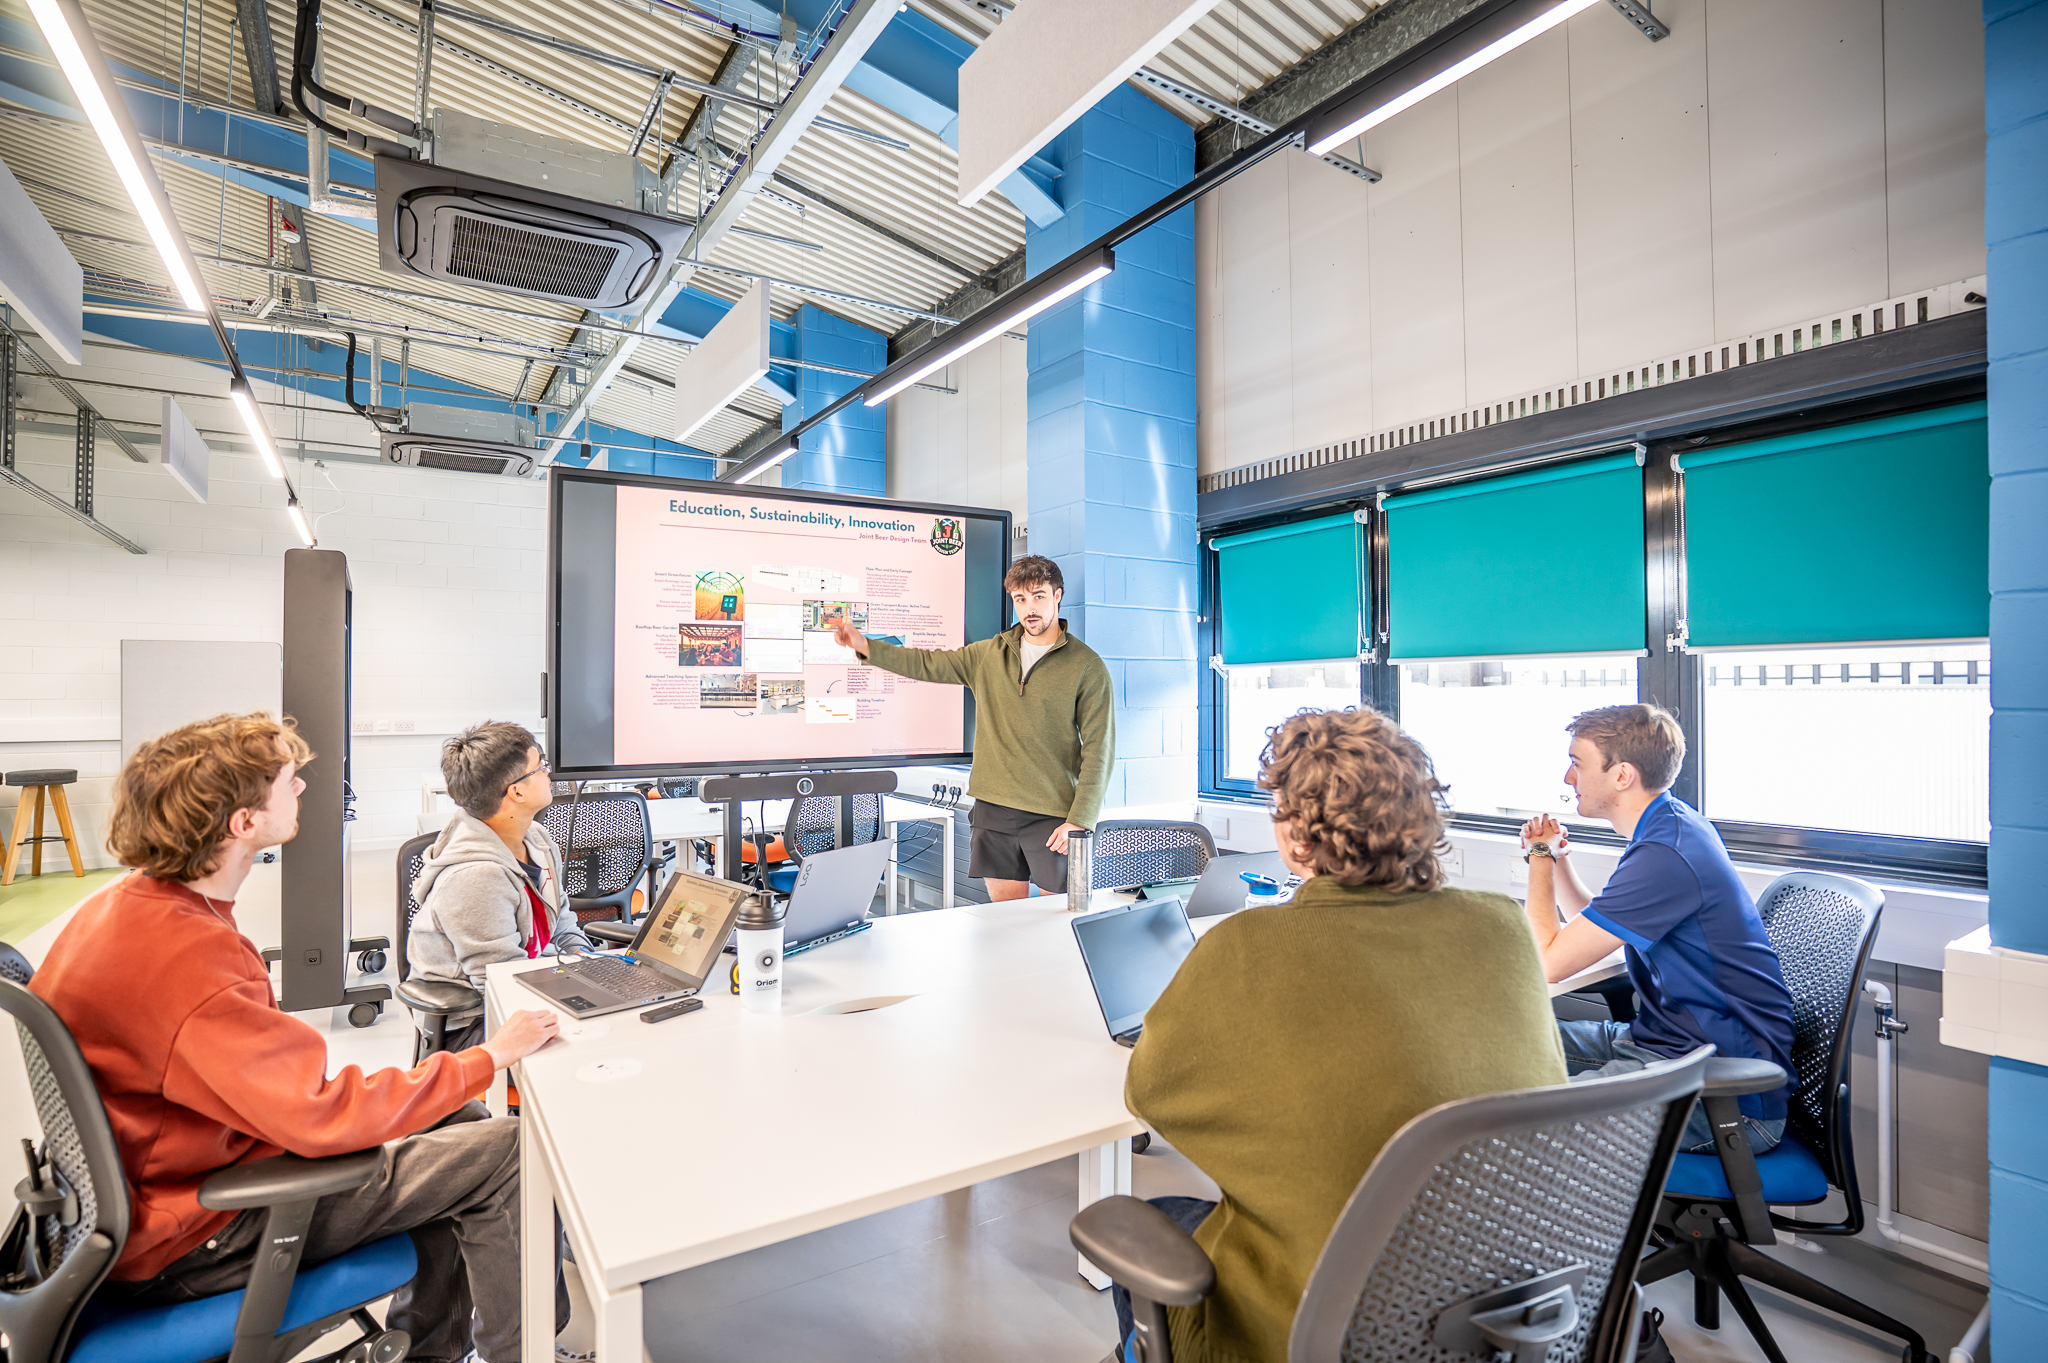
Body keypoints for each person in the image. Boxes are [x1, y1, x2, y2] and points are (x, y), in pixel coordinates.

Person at [29, 711, 566, 1363]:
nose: (304, 789)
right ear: (243, 822)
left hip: (182, 1181)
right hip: (210, 1230)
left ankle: (433, 1350)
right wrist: (490, 1055)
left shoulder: (126, 909)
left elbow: (287, 1096)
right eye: (289, 781)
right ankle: (526, 1351)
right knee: (503, 1147)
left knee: (458, 1116)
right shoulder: (192, 958)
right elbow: (321, 1116)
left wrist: (461, 1078)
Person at [1114, 708, 1567, 1363]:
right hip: (1500, 1313)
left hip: (1314, 1328)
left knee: (1160, 1215)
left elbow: (1152, 1092)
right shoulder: (1504, 928)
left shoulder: (1248, 945)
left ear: (1297, 838)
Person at [1518, 702, 1795, 1155]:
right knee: (1502, 1045)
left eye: (1576, 764)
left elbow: (1549, 962)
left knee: (1521, 1122)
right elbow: (1596, 921)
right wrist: (1560, 859)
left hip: (1723, 1097)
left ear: (1621, 775)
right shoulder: (1670, 827)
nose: (1568, 779)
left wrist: (1540, 857)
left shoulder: (1666, 854)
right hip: (1664, 1048)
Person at [830, 554, 1115, 900]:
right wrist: (865, 647)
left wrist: (1081, 819)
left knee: (1055, 924)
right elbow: (927, 663)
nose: (1030, 609)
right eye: (1020, 599)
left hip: (1053, 816)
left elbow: (1100, 750)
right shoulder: (988, 655)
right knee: (1006, 925)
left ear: (1057, 596)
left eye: (1039, 596)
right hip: (994, 811)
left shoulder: (1087, 666)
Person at [408, 721, 594, 1052]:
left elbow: (561, 917)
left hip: (535, 983)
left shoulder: (537, 839)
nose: (548, 773)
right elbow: (501, 981)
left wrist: (586, 963)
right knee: (597, 1046)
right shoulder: (475, 877)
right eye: (541, 767)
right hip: (475, 1024)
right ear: (516, 791)